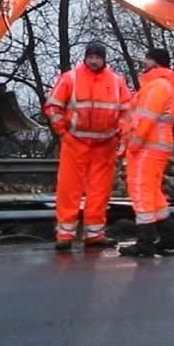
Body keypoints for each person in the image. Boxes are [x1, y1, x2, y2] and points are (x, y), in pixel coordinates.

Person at [44, 41, 132, 250]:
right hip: (75, 142)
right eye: (90, 57)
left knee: (99, 192)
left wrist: (121, 134)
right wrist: (63, 133)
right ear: (85, 58)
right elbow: (53, 107)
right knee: (69, 189)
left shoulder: (116, 81)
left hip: (105, 144)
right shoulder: (71, 78)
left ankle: (94, 234)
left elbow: (127, 111)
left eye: (97, 57)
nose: (94, 61)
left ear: (104, 59)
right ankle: (65, 235)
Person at [120, 45, 174, 257]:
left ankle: (145, 242)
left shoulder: (157, 86)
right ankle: (168, 239)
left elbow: (145, 119)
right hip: (156, 146)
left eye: (147, 59)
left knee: (141, 191)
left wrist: (133, 143)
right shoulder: (164, 85)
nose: (143, 63)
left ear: (155, 62)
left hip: (147, 147)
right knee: (153, 193)